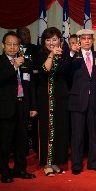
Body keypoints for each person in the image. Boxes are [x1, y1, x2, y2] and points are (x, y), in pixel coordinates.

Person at [66, 29, 96, 175]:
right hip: (77, 101)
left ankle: (94, 162)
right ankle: (76, 164)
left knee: (93, 133)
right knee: (77, 135)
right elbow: (66, 72)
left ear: (93, 40)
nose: (86, 41)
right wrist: (72, 54)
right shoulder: (73, 57)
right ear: (79, 41)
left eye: (89, 38)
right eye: (83, 39)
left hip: (94, 101)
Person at [0, 32, 37, 183]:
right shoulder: (0, 62)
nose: (13, 47)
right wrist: (13, 66)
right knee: (5, 142)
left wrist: (33, 106)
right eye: (9, 44)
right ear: (3, 45)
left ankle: (20, 169)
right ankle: (4, 171)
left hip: (23, 106)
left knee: (22, 141)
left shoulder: (25, 62)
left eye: (16, 44)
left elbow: (30, 85)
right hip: (5, 107)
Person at [37, 27, 70, 176]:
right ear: (44, 42)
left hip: (61, 98)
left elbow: (68, 74)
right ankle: (47, 163)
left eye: (54, 39)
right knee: (47, 129)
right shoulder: (40, 55)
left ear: (59, 40)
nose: (52, 42)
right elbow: (44, 71)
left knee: (60, 130)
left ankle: (56, 161)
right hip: (46, 98)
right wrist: (51, 54)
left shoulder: (64, 55)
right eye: (48, 40)